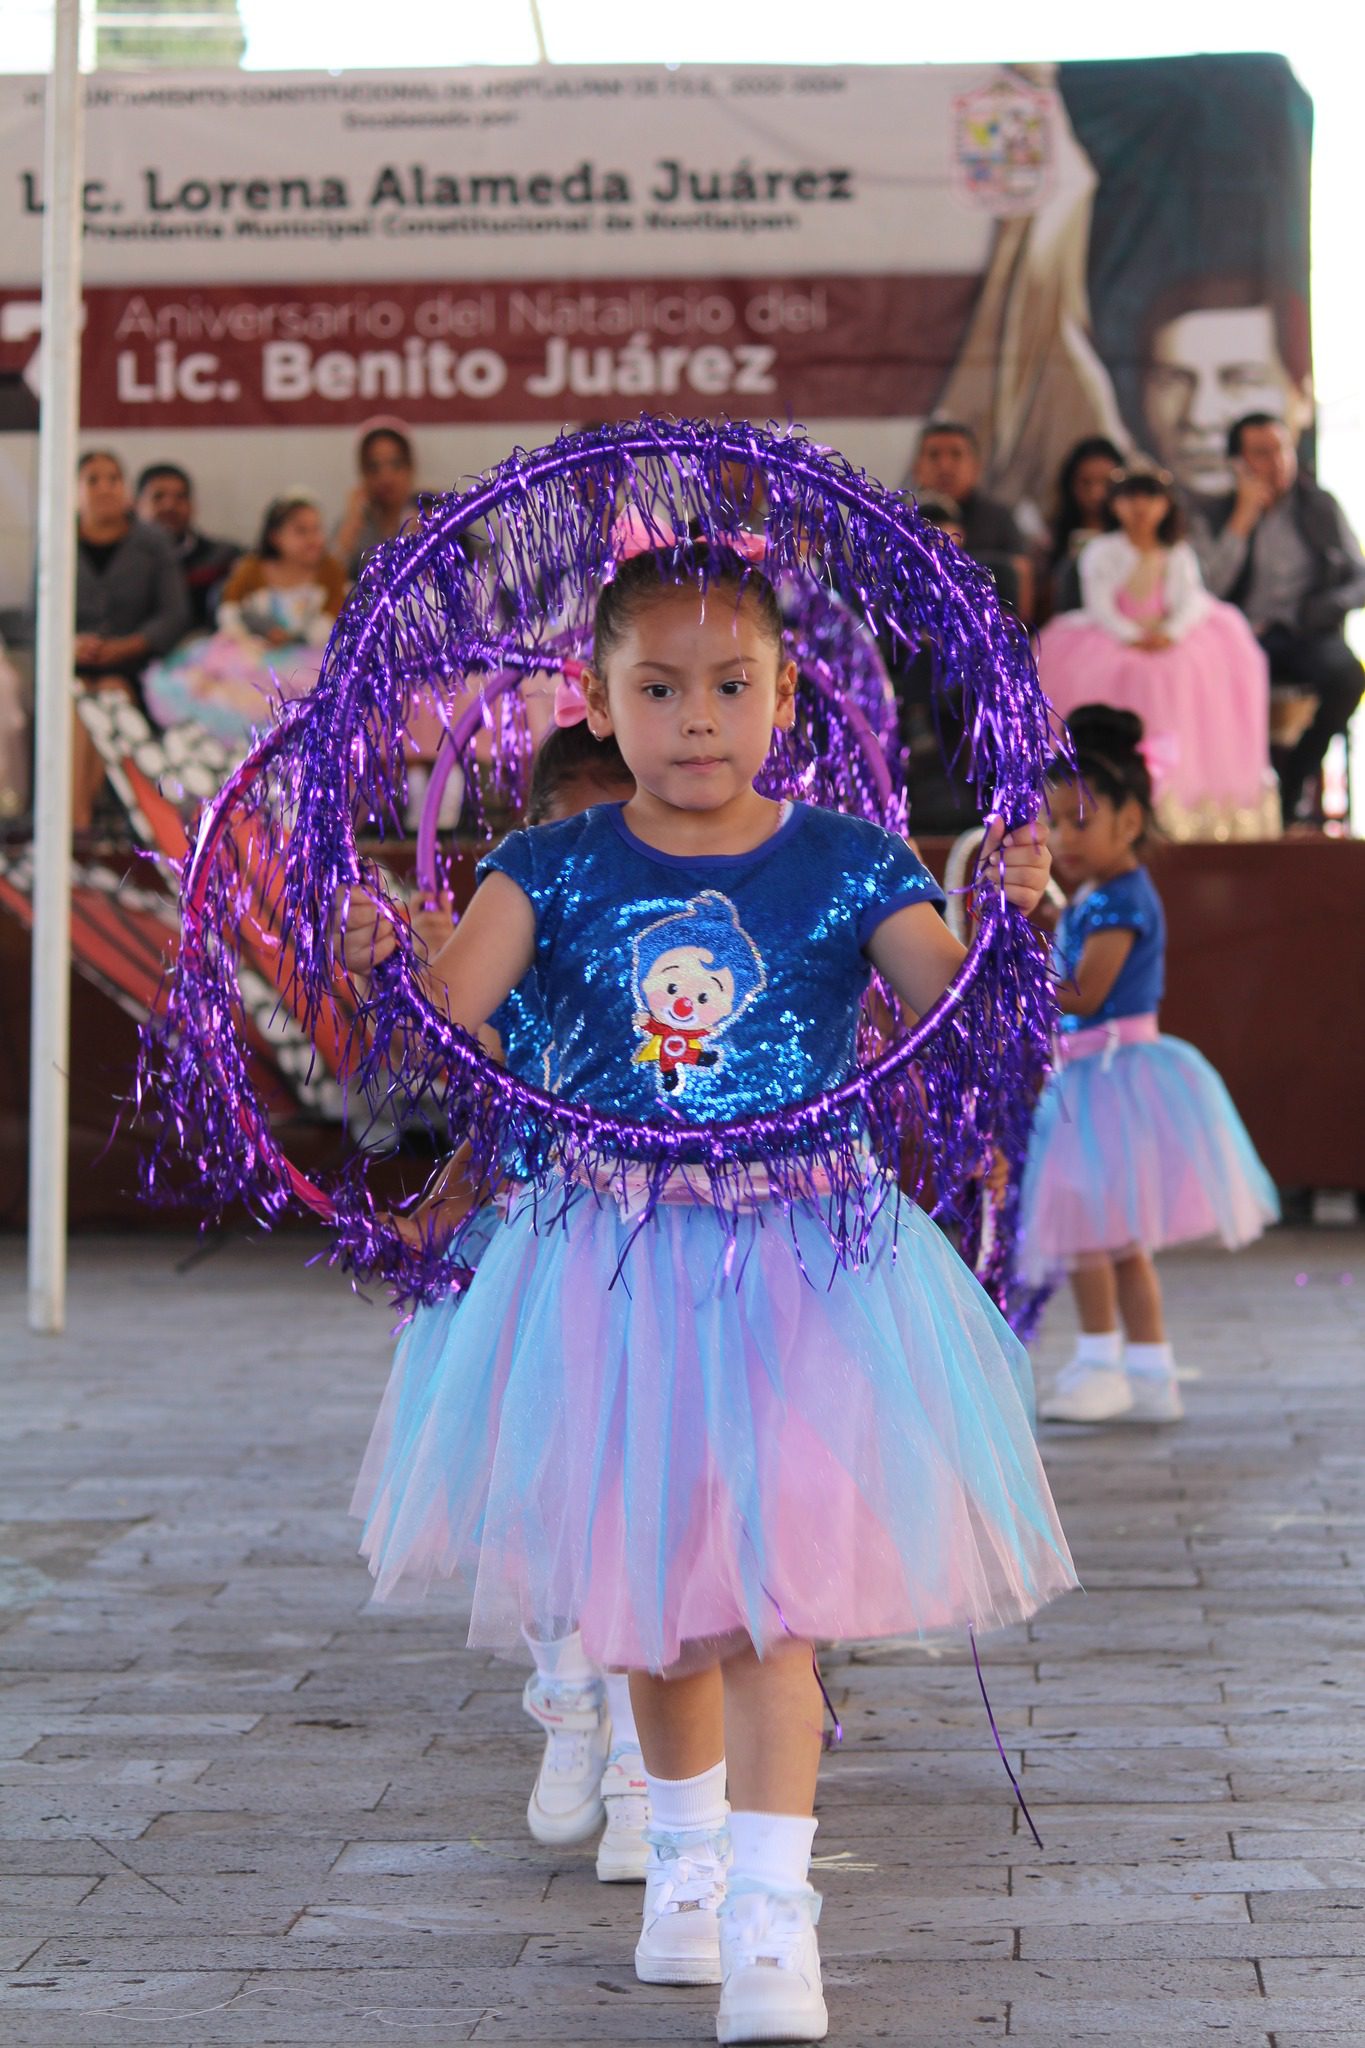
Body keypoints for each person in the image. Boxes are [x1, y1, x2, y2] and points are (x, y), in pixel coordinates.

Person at [340, 533, 1074, 2044]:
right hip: (605, 1265)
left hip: (804, 1265)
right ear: (598, 704)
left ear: (784, 693)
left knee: (770, 1600)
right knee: (652, 1604)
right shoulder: (544, 867)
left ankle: (770, 1914)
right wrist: (371, 962)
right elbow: (442, 1028)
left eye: (729, 685)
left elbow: (960, 1011)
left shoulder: (848, 859)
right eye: (657, 687)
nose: (695, 719)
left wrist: (1019, 912)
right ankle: (678, 1869)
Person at [387, 704, 651, 1882]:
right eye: (569, 831)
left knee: (661, 1505)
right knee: (550, 1494)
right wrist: (445, 1192)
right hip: (545, 1260)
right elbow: (491, 1103)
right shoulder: (523, 954)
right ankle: (565, 1698)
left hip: (680, 1264)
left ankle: (652, 1765)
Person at [1020, 704, 1279, 1426]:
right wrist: (1050, 924)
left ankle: (1108, 1360)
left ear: (1129, 821)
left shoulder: (1121, 901)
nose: (1062, 837)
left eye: (1079, 821)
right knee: (1111, 1237)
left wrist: (1028, 963)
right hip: (1094, 1076)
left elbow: (1089, 989)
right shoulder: (1098, 898)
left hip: (1111, 1079)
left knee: (1091, 1234)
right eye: (1055, 822)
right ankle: (1143, 1369)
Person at [1036, 468, 1278, 840]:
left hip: (1168, 639)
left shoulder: (1177, 553)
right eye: (1130, 498)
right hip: (1114, 638)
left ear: (1165, 505)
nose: (1140, 508)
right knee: (1128, 678)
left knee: (1195, 677)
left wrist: (1170, 632)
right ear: (1114, 505)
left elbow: (1191, 601)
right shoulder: (1101, 551)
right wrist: (1131, 634)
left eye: (1150, 498)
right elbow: (1099, 603)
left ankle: (1187, 801)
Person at [1191, 413, 1365, 825]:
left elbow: (1359, 578)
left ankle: (1294, 780)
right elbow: (1206, 589)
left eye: (1282, 450)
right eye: (1262, 453)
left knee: (1348, 677)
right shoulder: (1215, 512)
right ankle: (1248, 794)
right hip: (1244, 638)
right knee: (1216, 685)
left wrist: (1327, 606)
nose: (1277, 462)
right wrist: (1242, 519)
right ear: (1238, 462)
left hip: (1308, 629)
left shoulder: (1318, 505)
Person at [143, 493, 347, 747]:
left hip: (303, 654)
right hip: (252, 647)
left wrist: (296, 638)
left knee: (297, 694)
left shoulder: (329, 571)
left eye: (317, 529)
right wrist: (253, 635)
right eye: (301, 531)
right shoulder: (253, 568)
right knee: (215, 681)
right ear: (275, 536)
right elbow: (230, 608)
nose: (313, 539)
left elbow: (332, 616)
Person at [70, 449, 190, 829]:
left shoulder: (152, 542)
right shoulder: (57, 537)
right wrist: (69, 642)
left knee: (107, 698)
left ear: (126, 490)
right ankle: (78, 820)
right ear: (75, 490)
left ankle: (93, 824)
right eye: (93, 480)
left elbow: (174, 615)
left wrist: (127, 645)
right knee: (76, 701)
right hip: (71, 662)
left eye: (113, 479)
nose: (104, 488)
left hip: (134, 662)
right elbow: (35, 613)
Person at [908, 421, 1031, 619]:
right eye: (934, 456)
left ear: (976, 467)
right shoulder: (901, 517)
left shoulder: (998, 517)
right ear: (916, 468)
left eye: (956, 455)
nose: (945, 466)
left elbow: (1021, 580)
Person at [134, 462, 241, 634]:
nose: (170, 506)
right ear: (136, 505)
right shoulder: (125, 560)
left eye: (181, 497)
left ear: (193, 505)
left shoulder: (222, 557)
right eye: (158, 497)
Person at [1044, 436, 1125, 617]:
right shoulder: (1052, 536)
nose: (1096, 494)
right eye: (1085, 483)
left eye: (1107, 483)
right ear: (1070, 485)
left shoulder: (1134, 535)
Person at [332, 419, 422, 580]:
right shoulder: (356, 525)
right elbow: (328, 581)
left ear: (410, 468)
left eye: (396, 464)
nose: (385, 477)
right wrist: (351, 525)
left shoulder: (428, 515)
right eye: (374, 467)